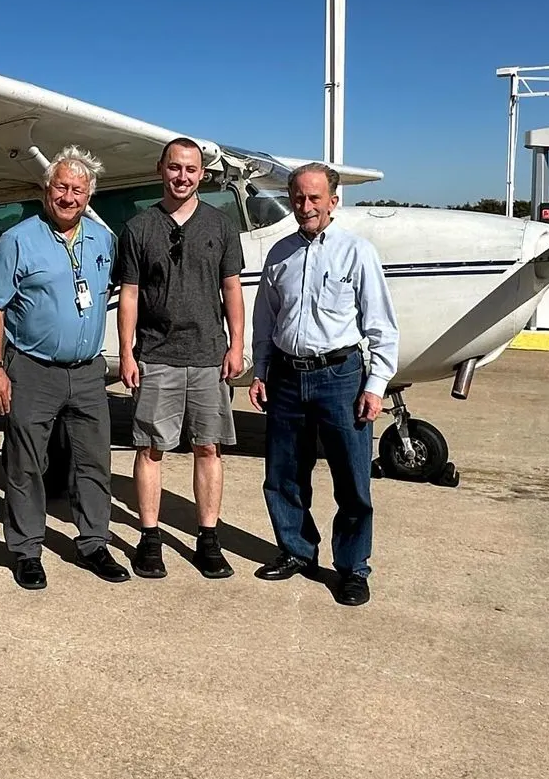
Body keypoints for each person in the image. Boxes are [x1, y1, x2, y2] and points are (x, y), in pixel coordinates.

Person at [249, 162, 399, 607]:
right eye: (298, 197)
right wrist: (260, 371)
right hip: (287, 377)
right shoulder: (279, 255)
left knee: (352, 480)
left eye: (315, 198)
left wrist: (375, 385)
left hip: (341, 377)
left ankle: (353, 567)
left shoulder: (357, 253)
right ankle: (297, 550)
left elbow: (381, 326)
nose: (305, 205)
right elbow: (265, 320)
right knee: (283, 475)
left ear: (334, 201)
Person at [0, 145, 130, 590]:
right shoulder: (17, 241)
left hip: (88, 372)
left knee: (93, 462)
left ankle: (93, 543)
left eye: (78, 190)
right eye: (61, 187)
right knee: (27, 463)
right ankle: (26, 549)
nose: (69, 197)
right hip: (32, 368)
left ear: (89, 196)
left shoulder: (103, 240)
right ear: (47, 191)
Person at [116, 137, 245, 580]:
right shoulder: (138, 228)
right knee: (151, 449)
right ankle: (149, 538)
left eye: (191, 169)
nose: (182, 176)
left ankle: (207, 539)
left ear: (202, 175)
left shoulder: (221, 225)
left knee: (208, 447)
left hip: (209, 356)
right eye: (175, 168)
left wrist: (236, 344)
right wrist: (126, 353)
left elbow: (231, 288)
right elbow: (129, 294)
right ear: (161, 169)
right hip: (156, 354)